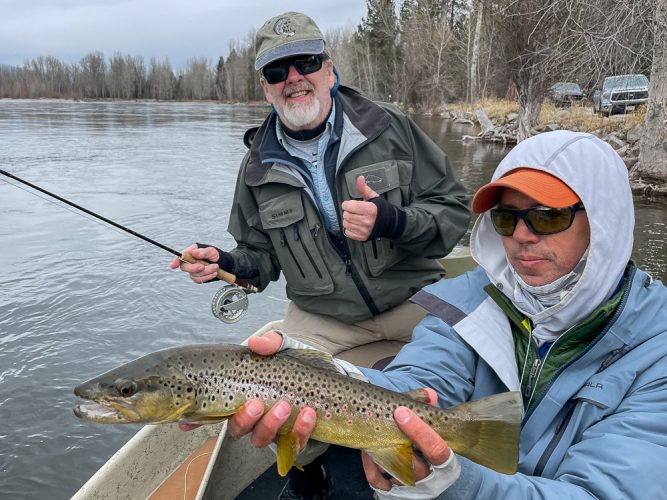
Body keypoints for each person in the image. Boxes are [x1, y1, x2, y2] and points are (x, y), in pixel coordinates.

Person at [222, 130, 667, 499]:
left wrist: (456, 483)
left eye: (547, 217)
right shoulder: (464, 299)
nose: (523, 237)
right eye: (507, 219)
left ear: (606, 221)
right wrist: (312, 374)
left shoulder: (657, 348)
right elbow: (414, 386)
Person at [171, 11, 470, 357]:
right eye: (277, 71)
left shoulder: (389, 127)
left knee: (473, 366)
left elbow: (454, 210)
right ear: (266, 89)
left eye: (306, 62)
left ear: (329, 71)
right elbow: (262, 258)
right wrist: (226, 263)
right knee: (281, 406)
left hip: (414, 299)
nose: (294, 78)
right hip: (322, 322)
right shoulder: (255, 169)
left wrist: (395, 221)